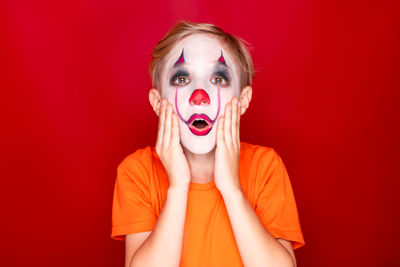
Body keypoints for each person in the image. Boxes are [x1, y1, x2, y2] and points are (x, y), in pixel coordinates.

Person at [111, 21, 305, 267]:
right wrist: (178, 187)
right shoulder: (136, 171)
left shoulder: (265, 166)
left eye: (218, 78)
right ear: (158, 102)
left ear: (243, 100)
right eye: (182, 79)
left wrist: (231, 188)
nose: (199, 96)